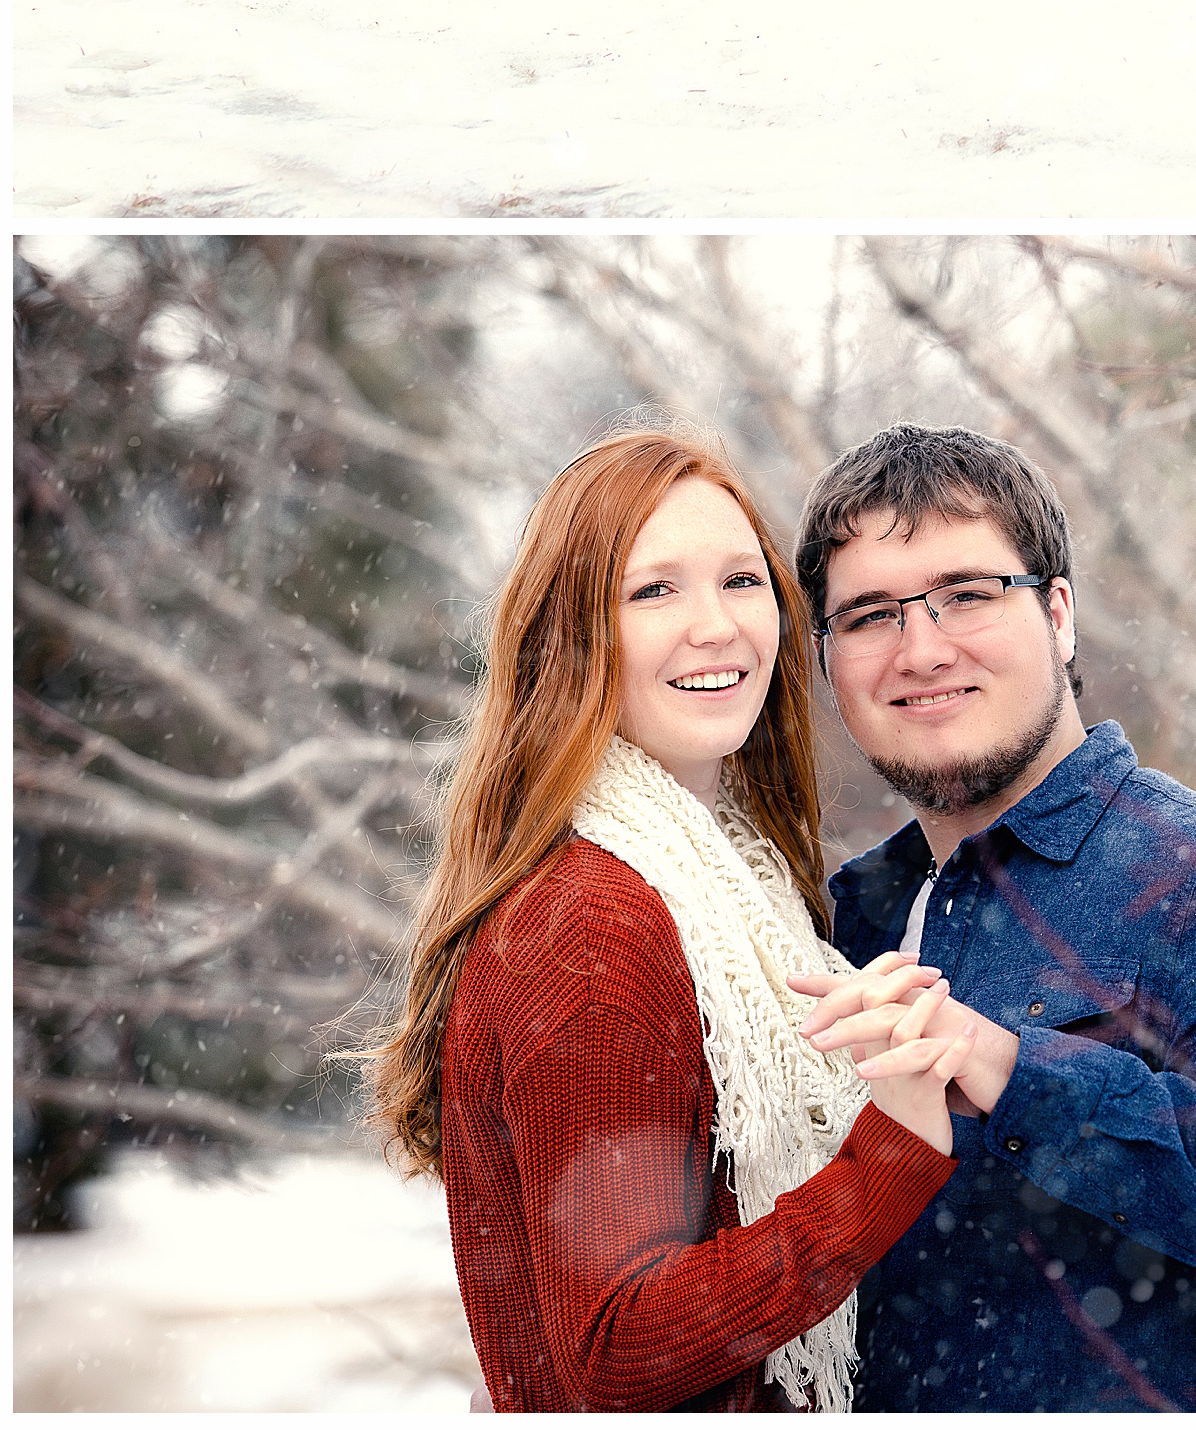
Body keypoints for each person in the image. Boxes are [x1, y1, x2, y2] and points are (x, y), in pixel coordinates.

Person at [789, 426, 1196, 1414]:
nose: (922, 647)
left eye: (966, 592)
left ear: (1060, 611)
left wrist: (1013, 1073)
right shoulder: (835, 920)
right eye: (870, 613)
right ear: (828, 661)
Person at [371, 428, 963, 1413]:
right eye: (654, 590)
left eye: (740, 579)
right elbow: (619, 1340)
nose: (716, 625)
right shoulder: (594, 926)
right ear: (573, 635)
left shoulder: (735, 885)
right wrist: (885, 1156)